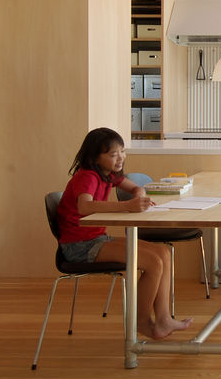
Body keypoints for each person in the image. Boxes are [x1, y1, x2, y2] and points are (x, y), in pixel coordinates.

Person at [56, 127, 192, 339]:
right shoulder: (88, 177)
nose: (120, 157)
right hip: (79, 246)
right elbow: (85, 207)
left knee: (163, 254)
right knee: (153, 263)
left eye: (122, 151)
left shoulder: (109, 175)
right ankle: (142, 322)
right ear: (95, 158)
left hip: (96, 239)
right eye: (112, 154)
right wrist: (129, 206)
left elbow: (136, 188)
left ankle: (164, 319)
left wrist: (139, 195)